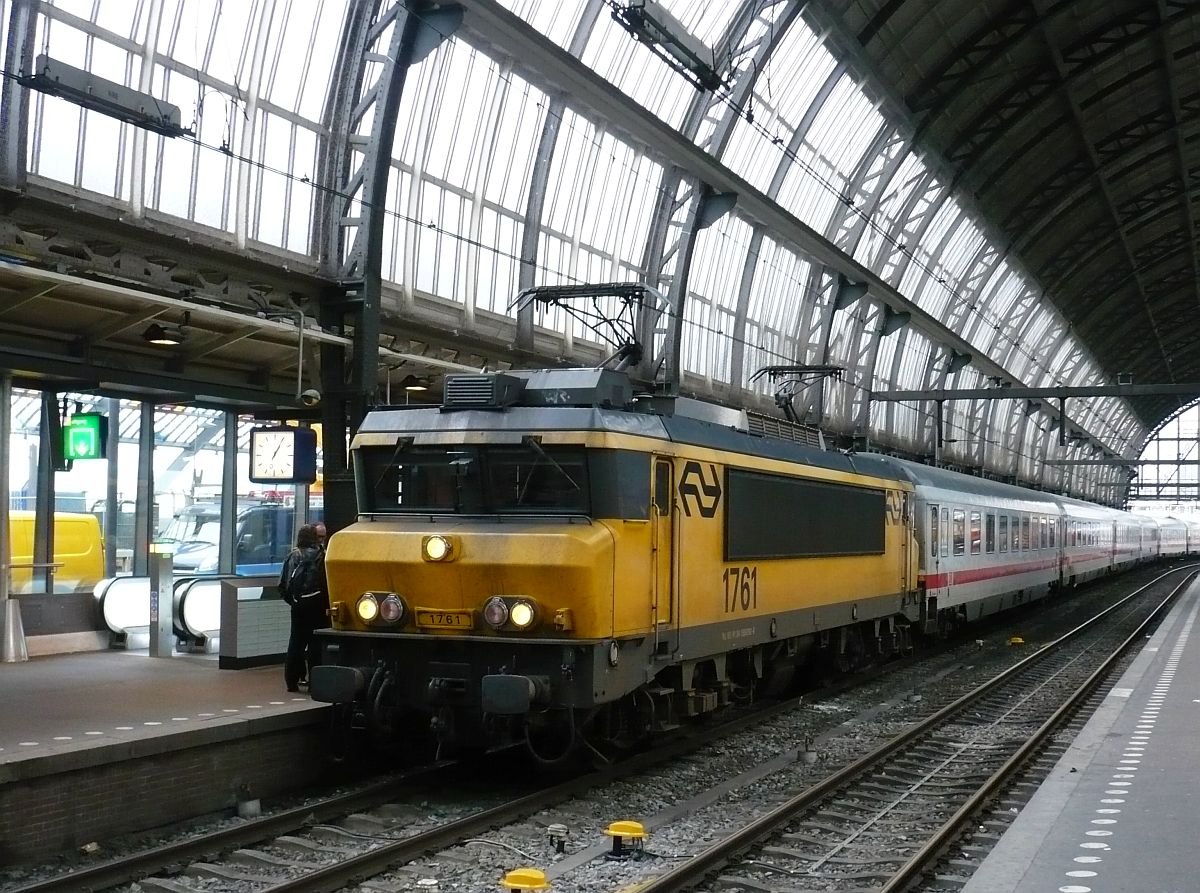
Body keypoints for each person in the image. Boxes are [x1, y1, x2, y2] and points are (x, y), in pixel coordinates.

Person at [278, 522, 329, 692]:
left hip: (298, 606)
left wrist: (294, 601)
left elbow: (283, 584)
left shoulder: (293, 555)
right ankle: (315, 682)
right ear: (315, 538)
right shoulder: (323, 555)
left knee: (295, 644)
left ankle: (291, 682)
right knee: (316, 645)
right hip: (318, 605)